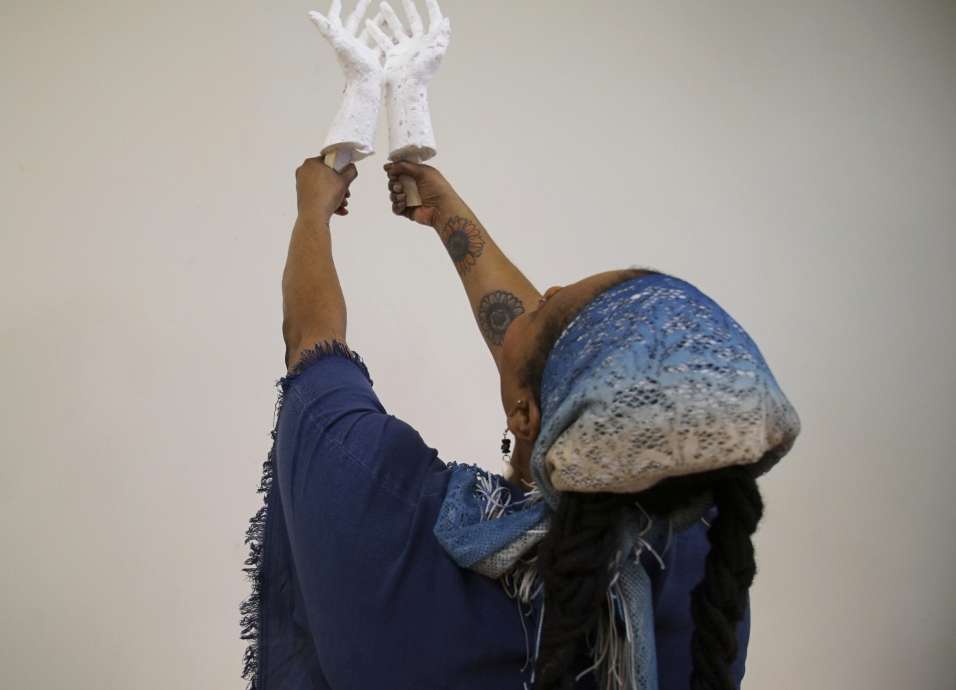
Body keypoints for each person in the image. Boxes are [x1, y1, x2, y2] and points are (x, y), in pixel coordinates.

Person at [240, 157, 800, 690]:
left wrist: (311, 210)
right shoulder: (699, 561)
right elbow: (562, 378)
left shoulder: (395, 518)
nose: (545, 291)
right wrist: (445, 212)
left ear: (528, 417)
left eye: (545, 308)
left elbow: (313, 344)